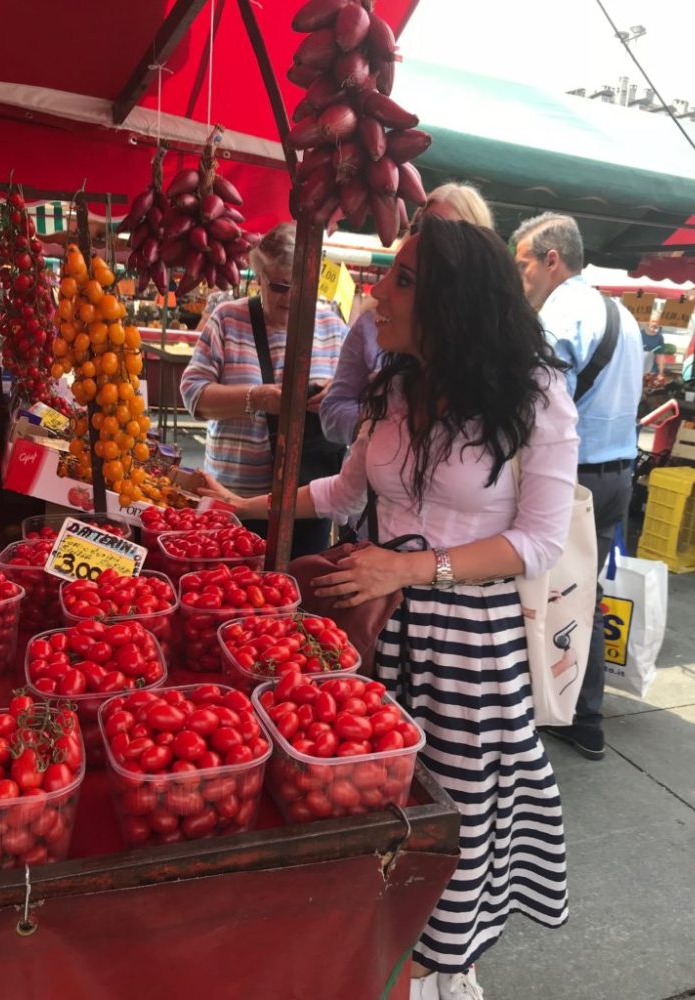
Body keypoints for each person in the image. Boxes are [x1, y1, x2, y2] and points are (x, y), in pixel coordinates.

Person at [200, 217, 579, 1000]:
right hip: (372, 638)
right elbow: (343, 494)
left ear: (455, 300)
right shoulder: (394, 387)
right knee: (362, 814)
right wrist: (238, 505)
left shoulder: (537, 395)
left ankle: (441, 976)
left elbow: (539, 541)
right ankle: (371, 970)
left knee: (451, 830)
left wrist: (412, 567)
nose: (377, 293)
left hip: (469, 651)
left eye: (402, 279)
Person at [513, 211, 643, 761]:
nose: (520, 278)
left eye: (522, 265)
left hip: (574, 481)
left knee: (542, 594)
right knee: (584, 595)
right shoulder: (621, 312)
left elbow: (538, 391)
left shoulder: (561, 310)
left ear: (551, 259)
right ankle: (585, 717)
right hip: (618, 475)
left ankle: (540, 708)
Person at [180, 222, 348, 557]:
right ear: (260, 278)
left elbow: (357, 403)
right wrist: (256, 398)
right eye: (282, 287)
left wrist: (336, 395)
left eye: (305, 285)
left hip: (304, 501)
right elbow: (194, 395)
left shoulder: (333, 325)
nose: (294, 297)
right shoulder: (228, 318)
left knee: (295, 595)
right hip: (233, 494)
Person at [320, 182, 495, 447]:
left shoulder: (495, 341)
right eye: (420, 228)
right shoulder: (373, 323)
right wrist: (384, 424)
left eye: (448, 232)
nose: (427, 241)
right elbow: (334, 410)